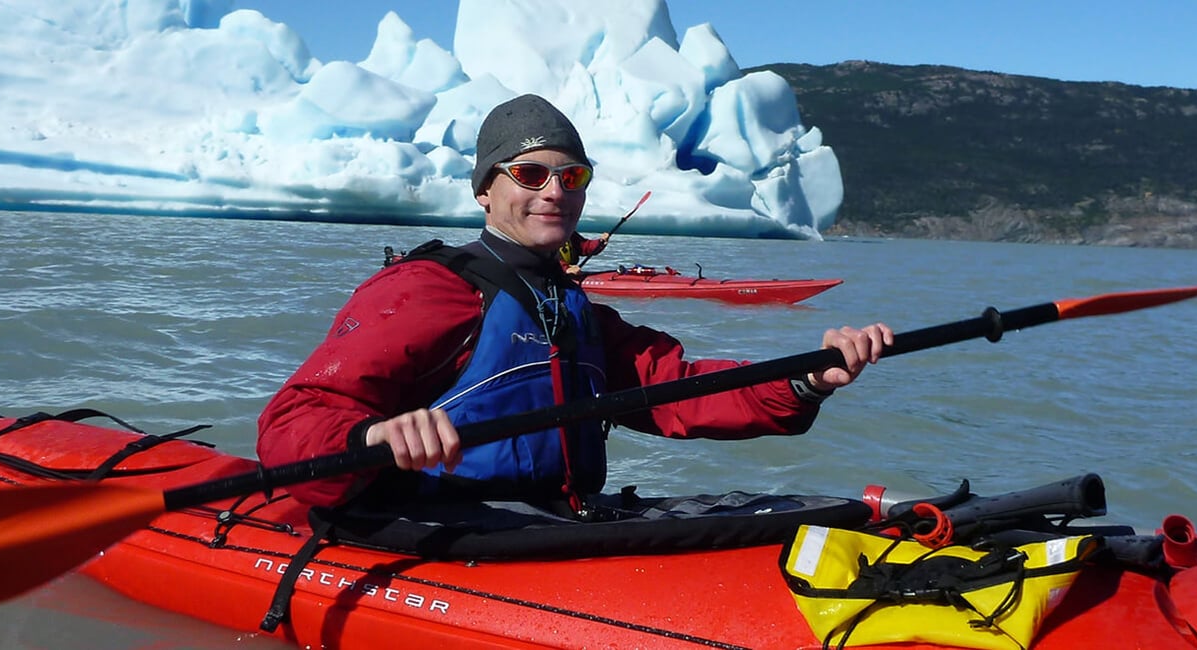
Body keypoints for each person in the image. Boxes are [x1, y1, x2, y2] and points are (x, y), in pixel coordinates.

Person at [255, 94, 893, 515]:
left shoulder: (573, 308)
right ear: (485, 190)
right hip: (447, 526)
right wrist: (372, 434)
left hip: (556, 519)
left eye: (572, 175)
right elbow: (291, 424)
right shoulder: (427, 290)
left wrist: (806, 379)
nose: (555, 190)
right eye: (530, 174)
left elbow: (675, 390)